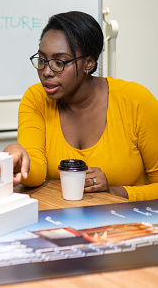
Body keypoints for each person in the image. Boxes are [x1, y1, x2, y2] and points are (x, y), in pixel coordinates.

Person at [18, 10, 158, 201]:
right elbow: (35, 173)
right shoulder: (36, 98)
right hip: (62, 220)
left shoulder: (135, 100)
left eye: (59, 62)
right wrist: (18, 160)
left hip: (129, 223)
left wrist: (115, 192)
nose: (46, 72)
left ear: (89, 63)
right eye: (42, 60)